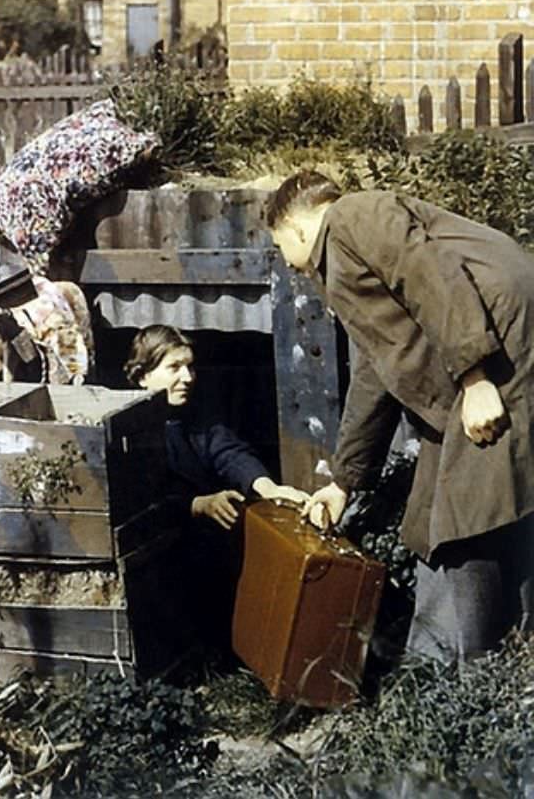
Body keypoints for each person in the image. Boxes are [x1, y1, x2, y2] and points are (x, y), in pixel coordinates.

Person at [266, 170, 534, 662]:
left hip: (500, 355)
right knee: (432, 517)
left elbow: (429, 272)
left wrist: (475, 379)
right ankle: (437, 671)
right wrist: (344, 481)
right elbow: (375, 369)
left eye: (280, 247)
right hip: (482, 360)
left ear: (296, 226)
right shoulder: (345, 260)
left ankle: (479, 676)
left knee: (469, 518)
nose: (287, 263)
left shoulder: (352, 217)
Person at [124, 324, 309, 652]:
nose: (188, 377)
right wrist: (197, 505)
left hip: (195, 538)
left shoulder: (193, 413)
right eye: (174, 368)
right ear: (142, 376)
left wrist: (268, 488)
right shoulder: (127, 427)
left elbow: (227, 450)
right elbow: (140, 494)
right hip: (156, 553)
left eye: (190, 366)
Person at [0, 98, 159, 278]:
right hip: (82, 133)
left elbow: (42, 271)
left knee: (102, 166)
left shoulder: (20, 229)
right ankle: (134, 139)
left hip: (84, 164)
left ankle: (139, 147)